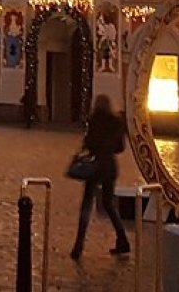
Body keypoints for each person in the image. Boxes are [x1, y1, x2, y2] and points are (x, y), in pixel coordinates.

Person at [70, 93, 130, 261]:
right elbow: (120, 148)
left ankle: (78, 245)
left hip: (95, 167)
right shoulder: (116, 122)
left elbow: (89, 144)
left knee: (86, 205)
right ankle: (122, 239)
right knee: (109, 204)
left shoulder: (94, 120)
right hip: (110, 167)